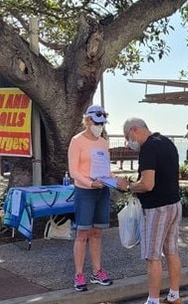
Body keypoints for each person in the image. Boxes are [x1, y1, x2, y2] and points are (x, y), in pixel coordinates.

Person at [117, 117, 183, 304]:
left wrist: (127, 186)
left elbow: (147, 184)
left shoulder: (148, 148)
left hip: (157, 208)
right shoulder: (166, 142)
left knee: (152, 256)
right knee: (172, 252)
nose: (128, 142)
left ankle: (153, 301)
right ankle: (174, 296)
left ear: (134, 130)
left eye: (127, 137)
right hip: (174, 203)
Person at [67, 104, 114, 291]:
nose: (99, 127)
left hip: (102, 191)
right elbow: (74, 171)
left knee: (97, 233)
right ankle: (79, 275)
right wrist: (89, 183)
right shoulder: (76, 141)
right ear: (87, 121)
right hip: (85, 192)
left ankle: (97, 271)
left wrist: (112, 179)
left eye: (102, 124)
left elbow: (105, 167)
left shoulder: (103, 142)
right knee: (82, 234)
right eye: (96, 123)